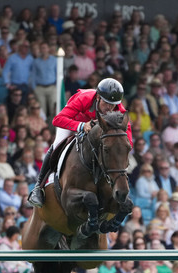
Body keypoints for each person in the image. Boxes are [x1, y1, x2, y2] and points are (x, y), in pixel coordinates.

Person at [28, 78, 131, 207]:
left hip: (95, 132)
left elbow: (126, 131)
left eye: (113, 104)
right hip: (73, 123)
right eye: (106, 103)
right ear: (98, 97)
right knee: (57, 145)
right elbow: (57, 120)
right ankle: (38, 188)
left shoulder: (118, 108)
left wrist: (126, 147)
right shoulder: (84, 98)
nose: (110, 108)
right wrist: (81, 126)